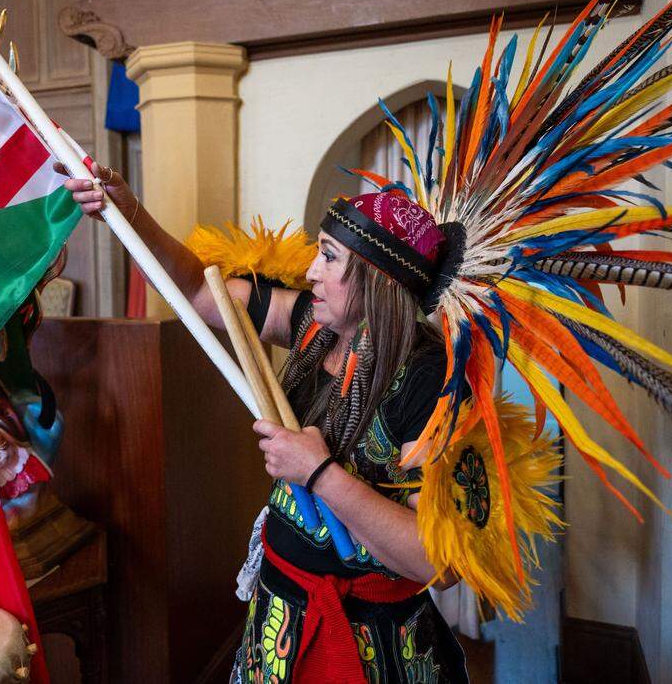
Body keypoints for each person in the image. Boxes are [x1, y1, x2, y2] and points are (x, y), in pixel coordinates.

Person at [61, 162, 469, 683]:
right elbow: (199, 294)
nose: (311, 272)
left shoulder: (433, 378)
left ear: (377, 279)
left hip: (375, 641)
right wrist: (128, 213)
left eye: (329, 256)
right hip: (281, 615)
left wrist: (320, 474)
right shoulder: (313, 324)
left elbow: (442, 563)